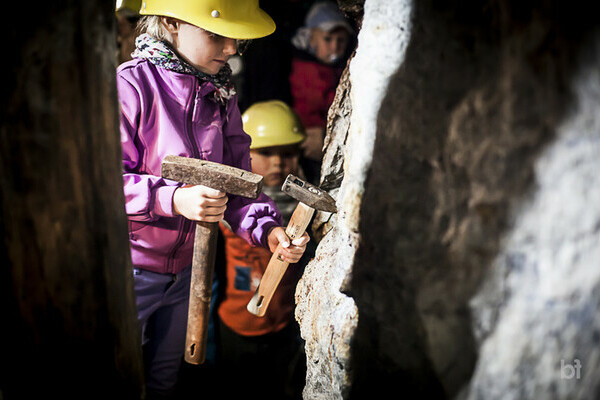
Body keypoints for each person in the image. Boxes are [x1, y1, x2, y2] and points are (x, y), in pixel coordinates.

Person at [116, 2, 310, 398]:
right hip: (129, 271)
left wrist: (266, 229)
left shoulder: (220, 95)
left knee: (164, 379)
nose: (232, 48)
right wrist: (173, 199)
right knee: (121, 377)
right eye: (217, 35)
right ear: (171, 21)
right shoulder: (130, 87)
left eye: (234, 37)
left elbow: (239, 181)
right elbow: (106, 182)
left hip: (188, 275)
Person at [216, 100, 314, 400]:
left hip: (284, 325)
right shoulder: (232, 205)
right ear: (245, 153)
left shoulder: (305, 205)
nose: (278, 163)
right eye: (266, 152)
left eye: (287, 153)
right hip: (236, 326)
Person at [289, 0, 355, 184]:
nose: (334, 47)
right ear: (310, 38)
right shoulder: (308, 70)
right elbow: (312, 104)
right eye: (328, 39)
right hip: (311, 138)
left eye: (340, 40)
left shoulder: (331, 68)